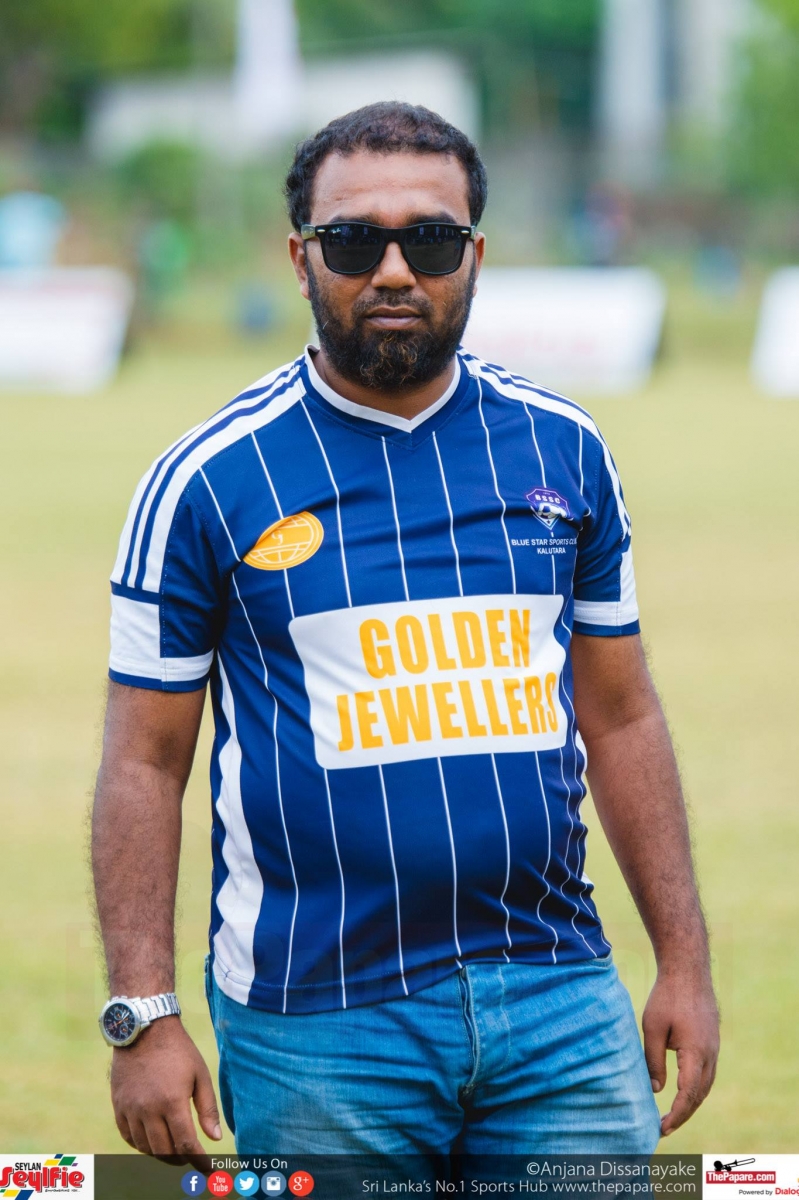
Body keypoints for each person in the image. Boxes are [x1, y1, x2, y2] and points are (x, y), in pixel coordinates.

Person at [92, 102, 719, 1166]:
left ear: (474, 253)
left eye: (429, 239)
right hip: (318, 1019)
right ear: (299, 257)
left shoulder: (562, 449)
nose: (392, 271)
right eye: (352, 241)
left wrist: (684, 964)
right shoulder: (206, 480)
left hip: (557, 996)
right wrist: (141, 1014)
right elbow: (144, 765)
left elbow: (620, 719)